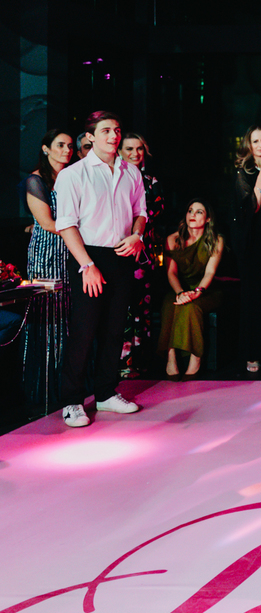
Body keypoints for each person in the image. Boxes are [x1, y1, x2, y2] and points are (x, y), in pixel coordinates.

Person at [55, 110, 146, 428]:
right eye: (106, 130)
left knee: (114, 329)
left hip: (122, 253)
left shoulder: (131, 172)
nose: (113, 136)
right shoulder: (74, 174)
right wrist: (87, 265)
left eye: (117, 130)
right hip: (88, 255)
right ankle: (71, 400)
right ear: (90, 136)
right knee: (84, 330)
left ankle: (106, 392)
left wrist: (137, 235)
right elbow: (66, 225)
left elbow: (141, 211)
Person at [20, 129, 73, 413]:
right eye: (60, 145)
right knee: (50, 314)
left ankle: (70, 383)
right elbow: (47, 223)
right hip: (46, 252)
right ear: (45, 149)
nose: (67, 150)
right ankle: (45, 387)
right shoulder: (35, 180)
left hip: (71, 251)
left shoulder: (70, 177)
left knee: (69, 315)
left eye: (70, 146)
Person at [231, 125, 261, 374]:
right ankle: (252, 353)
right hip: (251, 243)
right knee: (253, 300)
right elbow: (252, 208)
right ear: (249, 145)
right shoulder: (244, 172)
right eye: (256, 141)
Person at [158, 200, 224, 379]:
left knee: (192, 307)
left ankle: (196, 358)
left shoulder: (216, 240)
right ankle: (171, 357)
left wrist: (197, 292)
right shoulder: (173, 239)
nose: (193, 215)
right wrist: (180, 293)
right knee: (170, 304)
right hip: (179, 286)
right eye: (190, 211)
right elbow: (171, 273)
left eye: (199, 212)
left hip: (206, 288)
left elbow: (210, 272)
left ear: (208, 218)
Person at [118, 133, 166, 377]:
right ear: (119, 151)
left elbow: (154, 213)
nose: (135, 153)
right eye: (129, 148)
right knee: (119, 307)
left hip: (143, 251)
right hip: (116, 248)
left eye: (139, 149)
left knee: (141, 308)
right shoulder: (113, 178)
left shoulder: (150, 181)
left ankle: (140, 361)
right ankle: (119, 364)